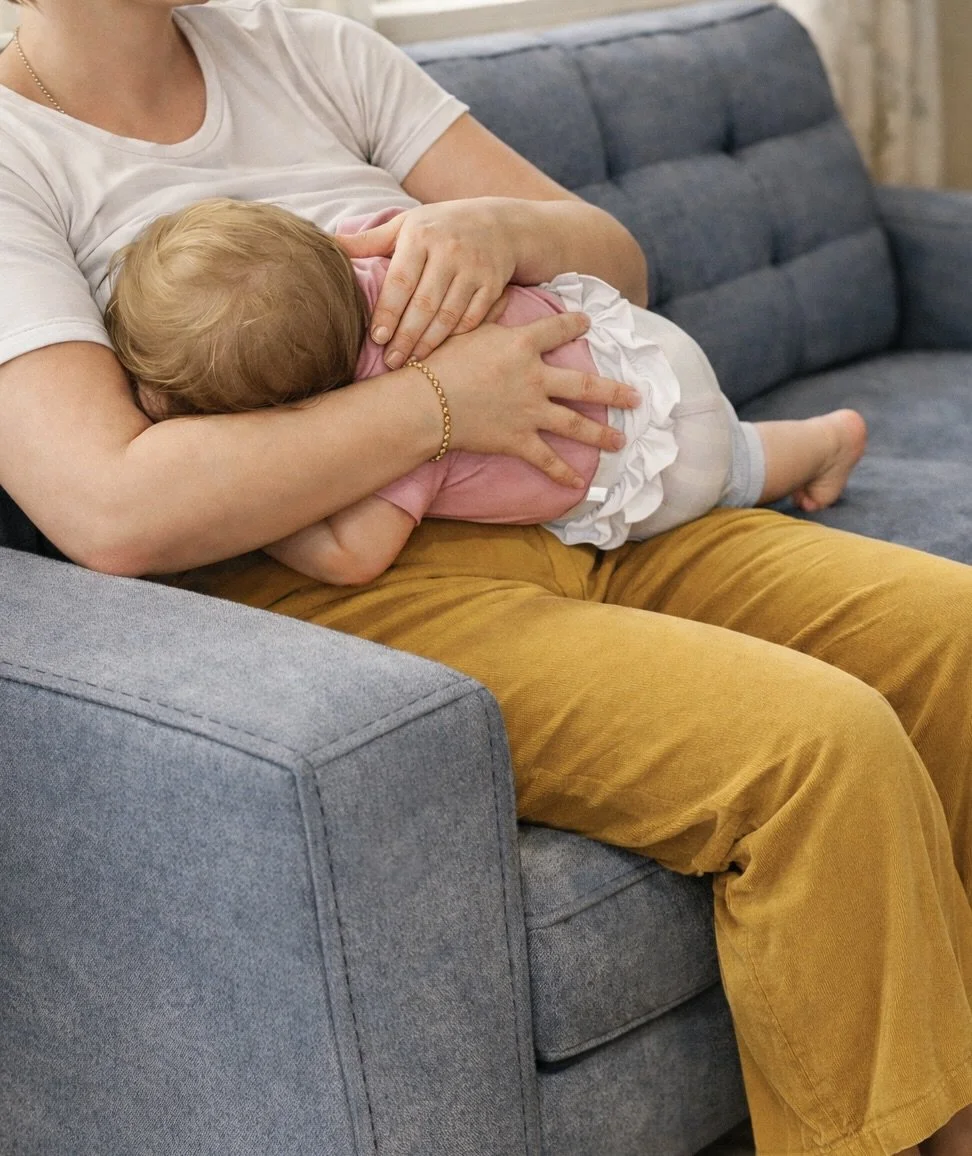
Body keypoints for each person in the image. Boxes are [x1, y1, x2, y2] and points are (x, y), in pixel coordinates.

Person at [0, 0, 970, 1152]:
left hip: (579, 494)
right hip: (354, 586)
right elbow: (111, 506)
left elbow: (616, 254)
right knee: (820, 750)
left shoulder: (313, 50)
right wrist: (442, 404)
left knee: (951, 633)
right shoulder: (20, 153)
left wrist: (503, 233)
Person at [105, 196, 867, 586]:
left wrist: (260, 508)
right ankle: (828, 439)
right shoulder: (376, 252)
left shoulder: (394, 422)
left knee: (727, 469)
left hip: (649, 465)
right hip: (639, 342)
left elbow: (351, 557)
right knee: (729, 443)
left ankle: (822, 442)